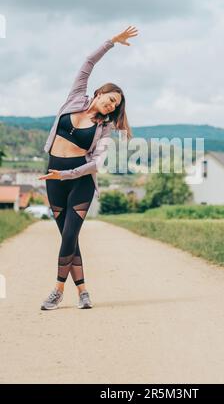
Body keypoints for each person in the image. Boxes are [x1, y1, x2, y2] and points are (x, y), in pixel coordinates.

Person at [38, 25, 138, 310]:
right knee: (67, 238)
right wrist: (111, 42)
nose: (111, 105)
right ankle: (83, 291)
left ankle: (57, 290)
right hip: (53, 176)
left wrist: (67, 174)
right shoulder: (74, 99)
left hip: (80, 180)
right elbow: (87, 63)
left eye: (115, 105)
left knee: (70, 234)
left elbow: (96, 163)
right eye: (110, 98)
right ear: (99, 92)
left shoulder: (104, 130)